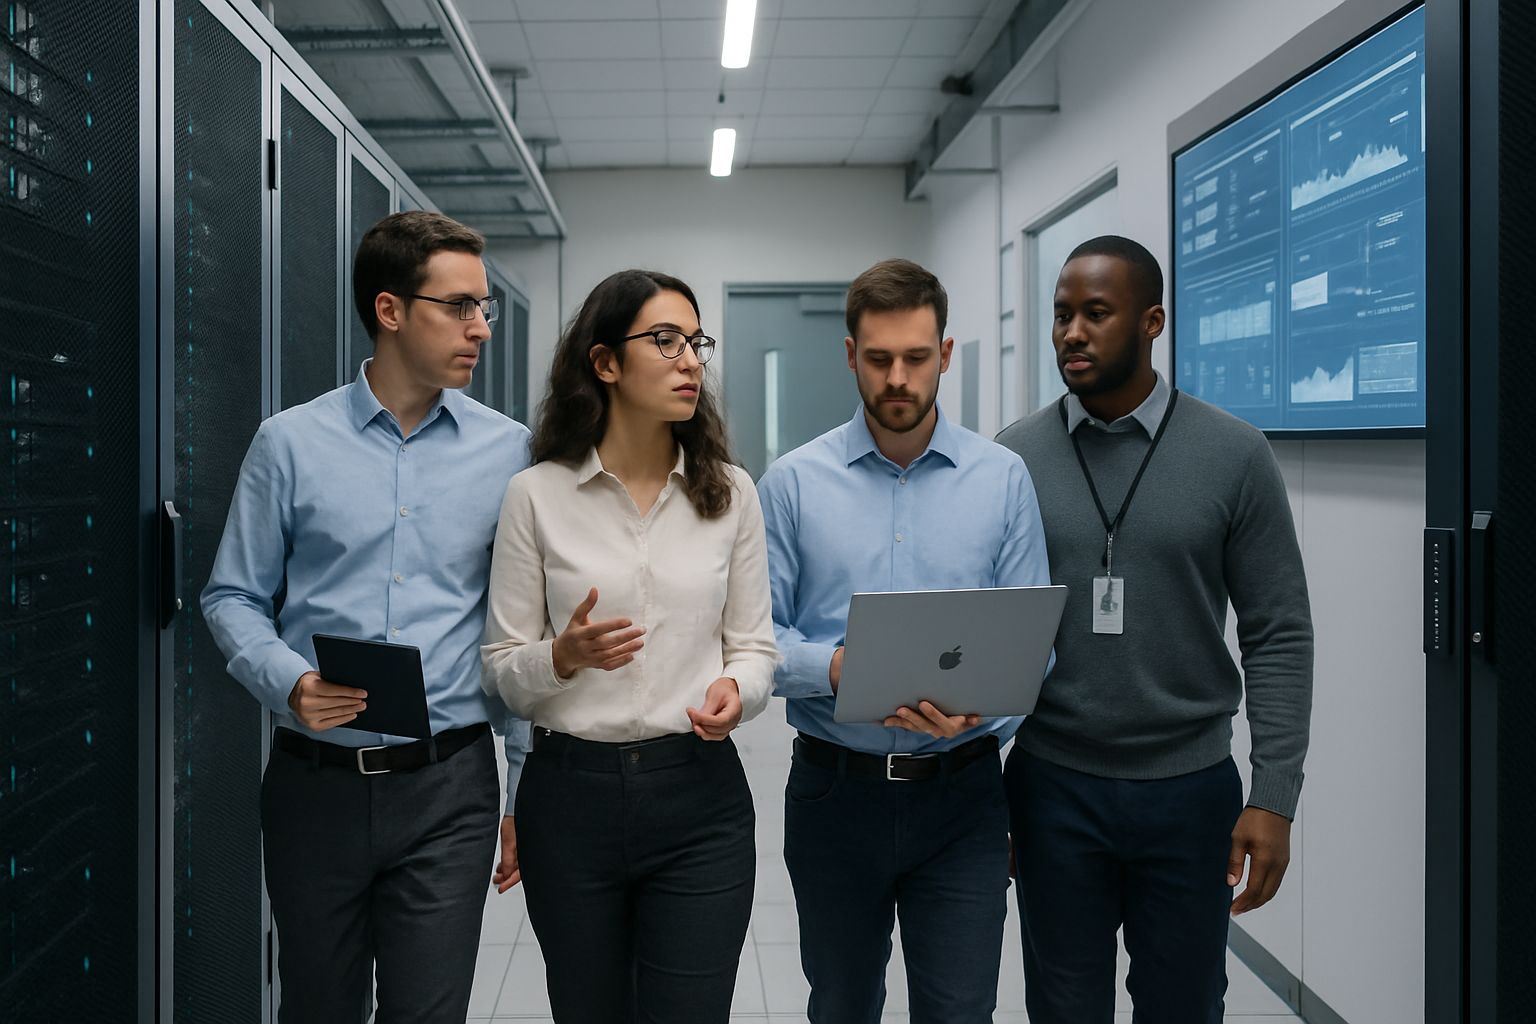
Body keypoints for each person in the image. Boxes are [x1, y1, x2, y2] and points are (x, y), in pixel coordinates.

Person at [200, 211, 531, 1023]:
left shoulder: (511, 453)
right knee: (318, 1008)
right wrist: (292, 683)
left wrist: (523, 789)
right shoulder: (289, 444)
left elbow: (521, 628)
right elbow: (232, 596)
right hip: (315, 786)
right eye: (459, 306)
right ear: (390, 310)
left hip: (450, 786)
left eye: (484, 307)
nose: (481, 328)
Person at [995, 235, 1314, 1023]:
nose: (1072, 332)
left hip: (1190, 793)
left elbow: (1278, 631)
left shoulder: (1234, 454)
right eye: (1062, 314)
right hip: (1052, 786)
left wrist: (1274, 795)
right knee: (1062, 1009)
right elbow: (984, 628)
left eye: (1096, 313)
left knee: (1183, 1007)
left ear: (1152, 322)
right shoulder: (1013, 459)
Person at [756, 258, 1051, 1024]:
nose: (897, 378)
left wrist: (979, 715)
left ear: (945, 354)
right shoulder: (791, 484)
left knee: (960, 1011)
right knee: (842, 1006)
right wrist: (839, 668)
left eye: (917, 358)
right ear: (850, 354)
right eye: (879, 358)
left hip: (963, 798)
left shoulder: (1002, 479)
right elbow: (754, 643)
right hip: (834, 794)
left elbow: (1034, 646)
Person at [480, 269, 778, 1023]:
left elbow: (754, 648)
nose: (690, 361)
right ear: (605, 362)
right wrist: (562, 657)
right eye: (665, 341)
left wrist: (737, 691)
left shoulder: (732, 493)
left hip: (698, 796)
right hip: (569, 800)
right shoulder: (536, 495)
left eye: (696, 343)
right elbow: (503, 670)